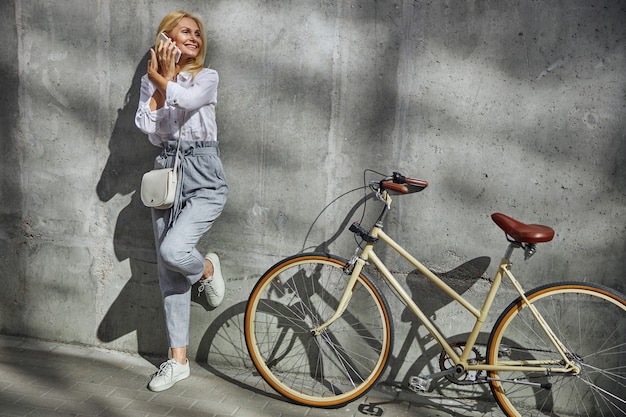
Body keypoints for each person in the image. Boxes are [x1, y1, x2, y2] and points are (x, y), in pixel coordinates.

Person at [134, 10, 228, 392]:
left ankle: (205, 268)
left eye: (197, 33)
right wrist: (157, 82)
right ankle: (177, 361)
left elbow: (188, 101)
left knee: (175, 252)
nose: (194, 38)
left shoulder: (208, 77)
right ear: (166, 39)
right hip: (167, 173)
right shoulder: (149, 82)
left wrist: (162, 78)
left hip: (204, 174)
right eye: (185, 31)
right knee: (167, 272)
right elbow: (147, 127)